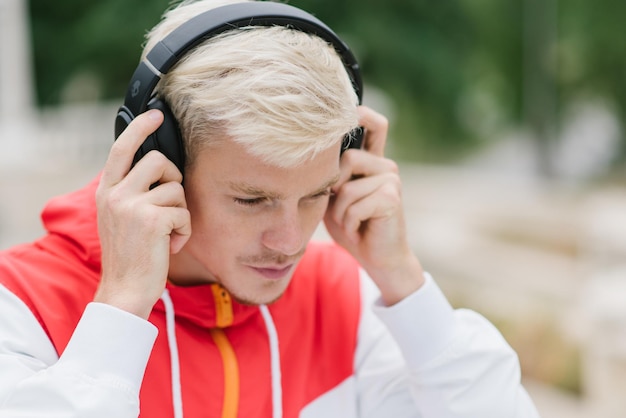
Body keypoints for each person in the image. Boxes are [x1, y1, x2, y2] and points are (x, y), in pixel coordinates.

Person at [0, 0, 541, 417]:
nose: (289, 241)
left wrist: (404, 280)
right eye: (251, 199)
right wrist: (119, 311)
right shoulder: (21, 305)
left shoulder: (346, 297)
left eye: (316, 194)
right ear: (158, 162)